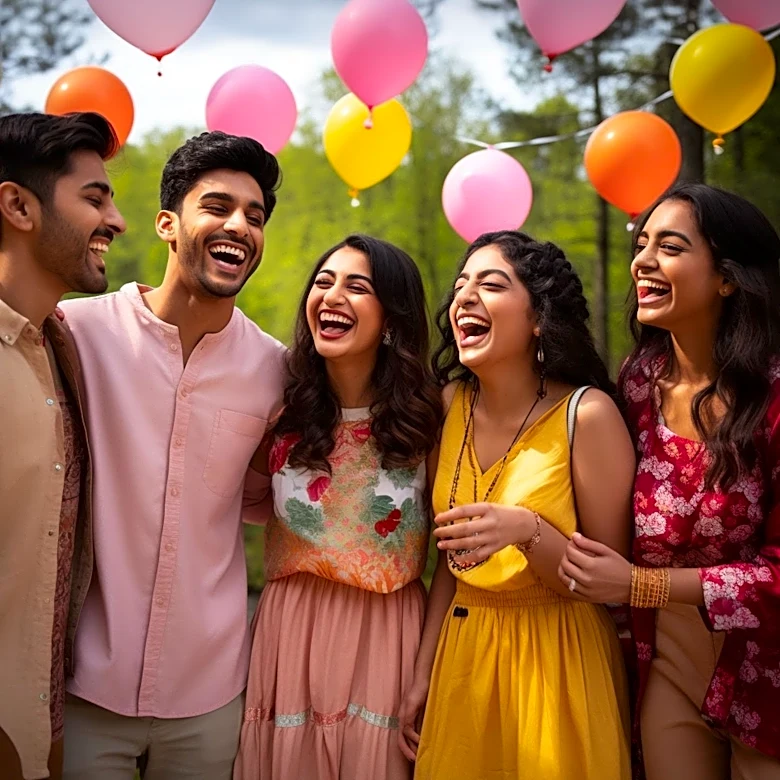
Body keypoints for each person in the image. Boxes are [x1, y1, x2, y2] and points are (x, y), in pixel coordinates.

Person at [59, 131, 285, 780]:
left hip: (212, 695)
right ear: (167, 224)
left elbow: (274, 503)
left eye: (255, 216)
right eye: (217, 206)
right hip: (83, 691)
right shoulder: (78, 335)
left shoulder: (276, 371)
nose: (238, 226)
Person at [558, 184, 780, 780]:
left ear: (728, 278)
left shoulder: (775, 398)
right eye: (642, 243)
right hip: (665, 665)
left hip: (765, 672)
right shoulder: (636, 381)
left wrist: (641, 585)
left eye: (671, 246)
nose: (643, 260)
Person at [403, 231, 635, 780]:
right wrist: (421, 674)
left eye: (491, 284)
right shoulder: (447, 402)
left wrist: (528, 530)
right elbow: (447, 564)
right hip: (464, 655)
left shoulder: (589, 414)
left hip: (559, 658)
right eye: (460, 285)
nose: (464, 296)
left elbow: (607, 583)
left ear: (538, 317)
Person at [233, 234, 442, 780]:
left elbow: (451, 554)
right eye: (324, 282)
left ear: (392, 317)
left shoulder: (429, 418)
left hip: (387, 630)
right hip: (290, 627)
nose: (332, 295)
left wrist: (427, 667)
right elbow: (243, 503)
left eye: (357, 286)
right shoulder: (282, 412)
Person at [0, 111, 125, 780]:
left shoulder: (65, 352)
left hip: (44, 732)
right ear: (18, 205)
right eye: (95, 198)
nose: (118, 220)